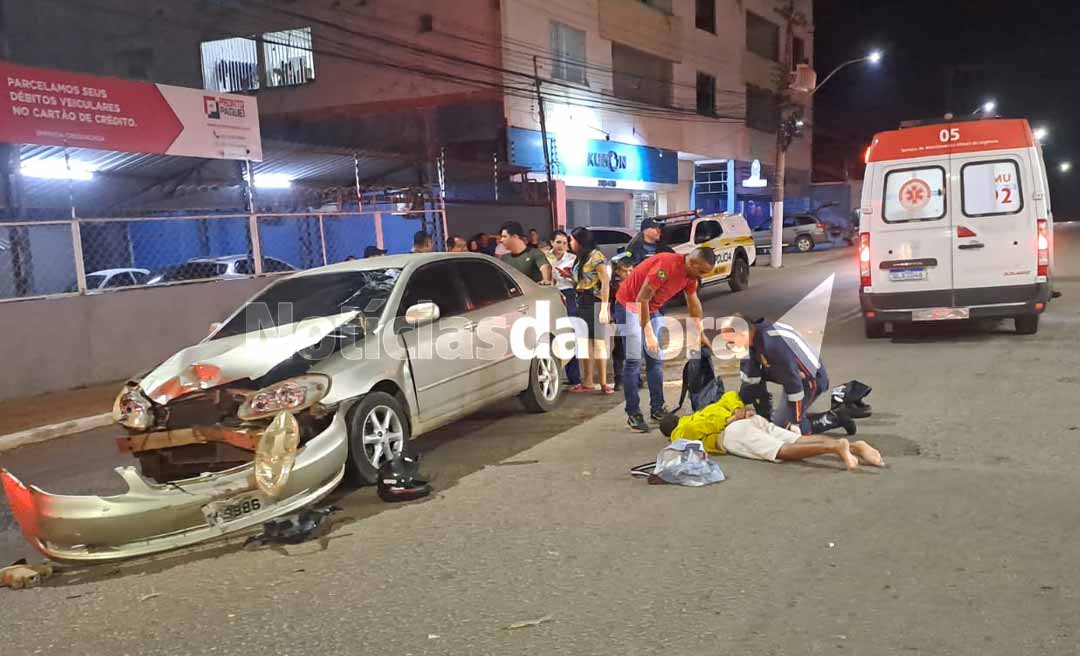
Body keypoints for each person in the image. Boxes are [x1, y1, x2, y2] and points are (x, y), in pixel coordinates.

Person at [616, 248, 716, 432]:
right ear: (692, 263)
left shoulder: (690, 276)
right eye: (701, 272)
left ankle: (657, 408)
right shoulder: (666, 266)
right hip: (630, 305)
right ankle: (633, 414)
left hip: (652, 308)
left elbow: (693, 302)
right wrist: (648, 333)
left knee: (656, 360)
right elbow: (641, 299)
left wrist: (700, 333)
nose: (700, 277)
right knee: (634, 361)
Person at [659, 393, 883, 471]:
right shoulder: (706, 408)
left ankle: (836, 447)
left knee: (782, 451)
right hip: (752, 420)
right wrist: (738, 411)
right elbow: (730, 397)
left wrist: (729, 419)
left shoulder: (680, 431)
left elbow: (693, 430)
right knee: (797, 438)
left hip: (733, 434)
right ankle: (855, 446)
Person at [718, 314, 856, 436]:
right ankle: (766, 415)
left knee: (785, 429)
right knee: (774, 416)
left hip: (810, 379)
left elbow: (794, 385)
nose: (731, 346)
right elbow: (750, 378)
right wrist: (740, 405)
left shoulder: (772, 345)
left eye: (731, 342)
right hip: (789, 373)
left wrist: (794, 421)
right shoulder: (754, 338)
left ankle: (836, 417)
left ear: (743, 334)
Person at [568, 227, 612, 394]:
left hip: (594, 302)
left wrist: (604, 308)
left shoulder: (596, 256)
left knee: (599, 343)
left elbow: (605, 283)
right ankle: (587, 381)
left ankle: (603, 382)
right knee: (585, 344)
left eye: (572, 240)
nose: (570, 243)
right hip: (581, 301)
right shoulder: (580, 258)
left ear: (580, 241)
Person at [548, 230, 581, 387]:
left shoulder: (573, 259)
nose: (561, 246)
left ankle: (574, 377)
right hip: (549, 295)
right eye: (558, 242)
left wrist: (568, 276)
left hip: (568, 295)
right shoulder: (545, 258)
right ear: (551, 243)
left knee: (568, 333)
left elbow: (580, 281)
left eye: (564, 243)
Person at [607, 253, 635, 392]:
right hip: (619, 319)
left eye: (631, 270)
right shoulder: (612, 286)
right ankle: (619, 378)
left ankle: (635, 378)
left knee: (634, 348)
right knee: (619, 349)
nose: (628, 273)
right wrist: (610, 315)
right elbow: (609, 302)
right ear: (617, 271)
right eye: (625, 271)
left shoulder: (636, 283)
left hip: (634, 317)